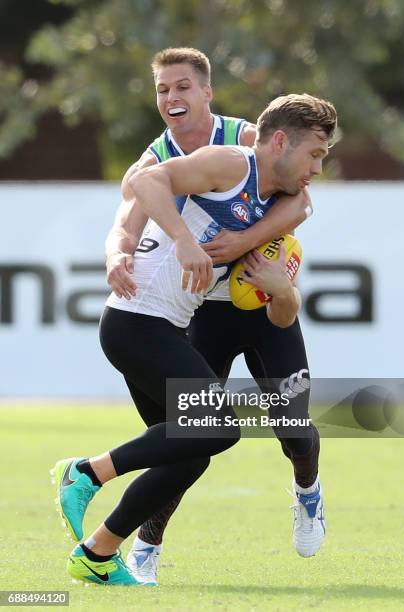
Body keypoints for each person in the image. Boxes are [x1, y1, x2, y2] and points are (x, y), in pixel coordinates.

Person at [51, 92, 337, 586]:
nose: (317, 167)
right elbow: (144, 180)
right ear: (281, 141)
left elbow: (303, 209)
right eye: (315, 154)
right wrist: (183, 239)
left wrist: (272, 276)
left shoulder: (283, 200)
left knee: (190, 452)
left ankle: (97, 554)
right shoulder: (231, 163)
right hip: (135, 322)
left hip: (155, 326)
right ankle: (85, 473)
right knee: (219, 426)